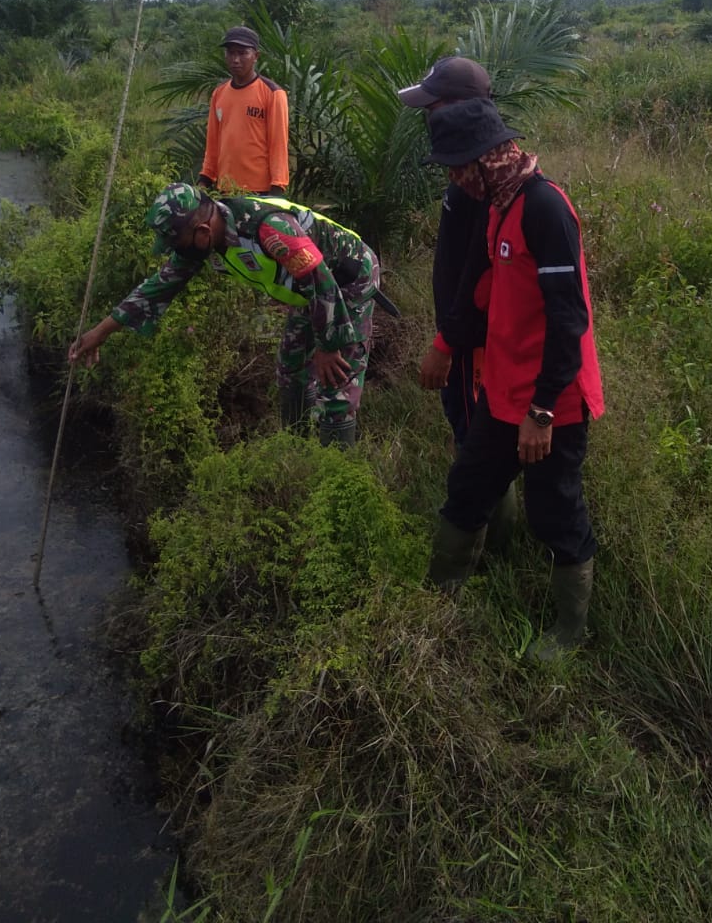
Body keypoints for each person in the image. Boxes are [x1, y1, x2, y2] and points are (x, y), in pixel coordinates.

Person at [421, 98, 604, 662]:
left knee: (554, 513)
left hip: (552, 403)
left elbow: (569, 319)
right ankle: (439, 596)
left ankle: (571, 634)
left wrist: (542, 410)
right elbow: (479, 293)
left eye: (458, 166)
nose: (454, 179)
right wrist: (446, 345)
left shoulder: (544, 208)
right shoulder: (498, 203)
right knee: (469, 488)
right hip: (499, 391)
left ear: (485, 158)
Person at [68, 182, 382, 447]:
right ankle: (298, 448)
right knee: (292, 367)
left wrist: (328, 345)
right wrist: (100, 332)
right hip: (308, 290)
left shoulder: (269, 229)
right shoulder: (209, 238)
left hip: (347, 280)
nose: (178, 253)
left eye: (177, 244)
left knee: (336, 380)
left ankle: (338, 470)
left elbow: (320, 280)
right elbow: (158, 287)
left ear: (202, 231)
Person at [398, 56, 517, 549]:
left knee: (478, 440)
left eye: (435, 106)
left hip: (473, 342)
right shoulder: (462, 177)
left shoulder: (485, 183)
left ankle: (492, 545)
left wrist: (448, 341)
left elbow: (480, 273)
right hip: (459, 332)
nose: (429, 118)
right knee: (467, 429)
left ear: (462, 109)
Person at [198, 26, 289, 196]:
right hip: (225, 190)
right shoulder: (219, 94)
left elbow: (278, 145)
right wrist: (205, 179)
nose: (235, 59)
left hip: (260, 192)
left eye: (242, 53)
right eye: (231, 53)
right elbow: (213, 143)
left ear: (256, 56)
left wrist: (277, 188)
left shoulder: (273, 94)